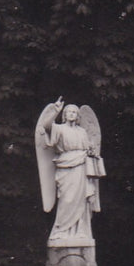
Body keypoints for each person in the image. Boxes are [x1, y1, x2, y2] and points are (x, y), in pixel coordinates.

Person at [35, 98, 103, 241]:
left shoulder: (82, 132)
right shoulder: (59, 129)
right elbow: (46, 125)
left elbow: (88, 148)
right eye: (69, 112)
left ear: (77, 116)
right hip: (65, 167)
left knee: (81, 199)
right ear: (65, 115)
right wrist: (55, 111)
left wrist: (91, 152)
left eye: (74, 112)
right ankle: (61, 230)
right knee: (66, 199)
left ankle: (80, 231)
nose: (72, 114)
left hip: (81, 167)